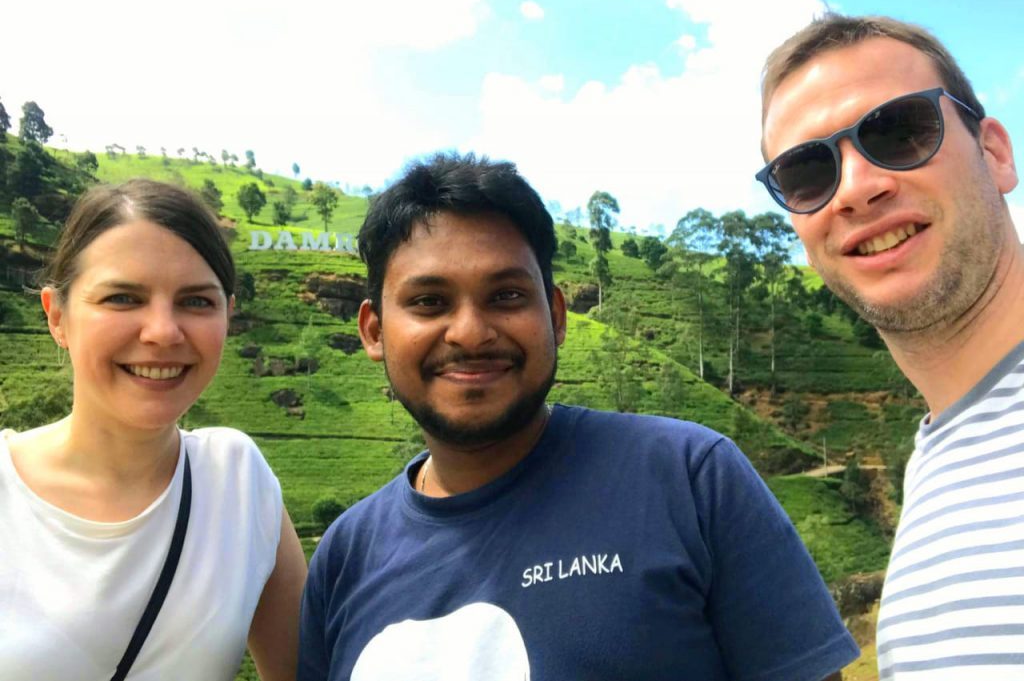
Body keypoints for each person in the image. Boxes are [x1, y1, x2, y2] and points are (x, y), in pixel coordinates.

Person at [298, 152, 857, 681]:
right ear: (373, 330)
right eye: (429, 302)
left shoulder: (689, 478)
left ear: (556, 316)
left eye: (507, 296)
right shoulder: (345, 558)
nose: (469, 332)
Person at [758, 14, 1024, 680]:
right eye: (806, 171)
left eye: (899, 131)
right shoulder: (933, 469)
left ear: (994, 152)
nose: (856, 187)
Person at [0, 179, 307, 680]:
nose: (163, 331)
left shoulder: (238, 481)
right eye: (123, 298)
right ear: (57, 315)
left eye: (197, 302)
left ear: (228, 316)